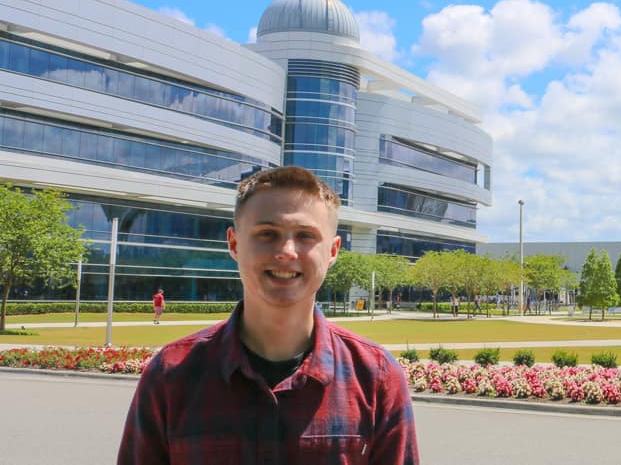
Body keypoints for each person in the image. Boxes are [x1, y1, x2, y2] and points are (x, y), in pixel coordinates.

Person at [118, 166, 418, 464]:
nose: (287, 251)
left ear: (333, 250)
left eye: (305, 235)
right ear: (234, 243)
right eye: (267, 233)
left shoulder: (377, 379)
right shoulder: (170, 377)